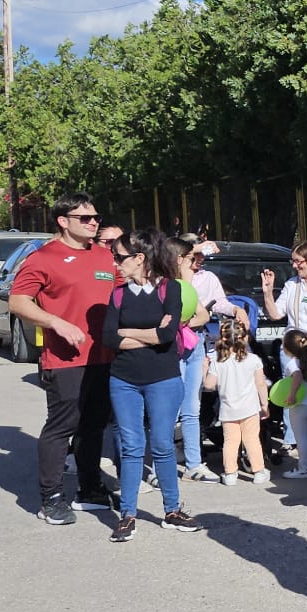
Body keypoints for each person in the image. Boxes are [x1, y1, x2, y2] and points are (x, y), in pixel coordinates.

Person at [10, 192, 119, 525]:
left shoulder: (104, 256)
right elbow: (18, 302)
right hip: (65, 359)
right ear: (63, 221)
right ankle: (51, 497)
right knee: (62, 426)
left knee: (94, 424)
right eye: (85, 218)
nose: (93, 223)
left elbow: (122, 293)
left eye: (96, 217)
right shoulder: (43, 258)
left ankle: (90, 488)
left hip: (103, 355)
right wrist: (56, 322)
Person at [102, 231, 199, 541]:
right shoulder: (118, 294)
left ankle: (172, 510)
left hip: (164, 379)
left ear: (139, 258)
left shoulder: (170, 290)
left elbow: (168, 335)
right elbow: (109, 338)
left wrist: (129, 333)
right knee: (131, 448)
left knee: (161, 445)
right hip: (124, 380)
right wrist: (149, 334)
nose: (115, 263)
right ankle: (127, 515)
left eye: (119, 257)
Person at [261, 243, 307, 479]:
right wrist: (268, 292)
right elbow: (275, 314)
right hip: (293, 348)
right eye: (293, 261)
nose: (294, 265)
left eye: (299, 261)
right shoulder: (292, 285)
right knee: (296, 401)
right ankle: (296, 444)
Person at [169, 237, 223, 483]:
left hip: (194, 348)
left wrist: (183, 324)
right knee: (170, 410)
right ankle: (166, 464)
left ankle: (194, 464)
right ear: (178, 259)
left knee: (192, 408)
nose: (195, 263)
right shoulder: (164, 285)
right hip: (172, 350)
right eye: (191, 259)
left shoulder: (188, 283)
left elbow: (201, 315)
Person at [208, 317, 268, 484]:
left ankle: (230, 474)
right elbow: (260, 384)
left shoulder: (218, 362)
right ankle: (259, 472)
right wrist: (265, 404)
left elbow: (209, 385)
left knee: (230, 442)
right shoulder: (254, 360)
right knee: (252, 440)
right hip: (250, 408)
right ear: (245, 338)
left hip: (228, 410)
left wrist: (205, 367)